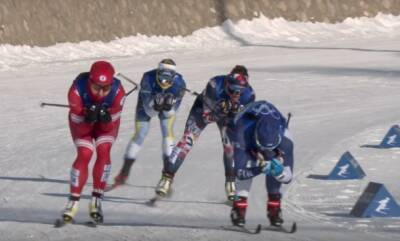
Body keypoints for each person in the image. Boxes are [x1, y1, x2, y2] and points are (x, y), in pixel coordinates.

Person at [156, 65, 255, 201]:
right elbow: (205, 116)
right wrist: (220, 110)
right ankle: (166, 178)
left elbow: (242, 123)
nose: (236, 95)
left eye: (240, 92)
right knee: (187, 142)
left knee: (230, 146)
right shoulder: (215, 85)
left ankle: (231, 184)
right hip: (204, 110)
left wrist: (234, 114)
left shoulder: (249, 95)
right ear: (227, 82)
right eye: (233, 90)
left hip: (227, 118)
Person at [61, 60, 125, 224]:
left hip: (106, 125)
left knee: (103, 150)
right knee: (85, 153)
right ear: (90, 82)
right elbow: (80, 130)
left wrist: (104, 119)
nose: (102, 93)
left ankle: (96, 200)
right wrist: (88, 120)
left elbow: (108, 128)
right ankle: (73, 201)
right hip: (82, 124)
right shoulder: (76, 90)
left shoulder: (118, 92)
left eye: (106, 88)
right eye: (97, 88)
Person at [109, 59, 186, 190]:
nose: (164, 83)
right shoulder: (148, 78)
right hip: (146, 105)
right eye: (161, 78)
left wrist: (167, 107)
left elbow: (170, 114)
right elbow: (149, 112)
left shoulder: (180, 84)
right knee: (140, 134)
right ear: (157, 73)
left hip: (162, 105)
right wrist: (155, 104)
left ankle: (166, 176)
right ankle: (124, 172)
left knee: (167, 133)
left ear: (173, 77)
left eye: (168, 80)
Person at [226, 100, 294, 227]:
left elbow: (288, 177)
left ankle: (274, 206)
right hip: (242, 132)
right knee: (249, 162)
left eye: (271, 148)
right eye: (262, 147)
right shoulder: (241, 134)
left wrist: (279, 173)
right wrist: (260, 169)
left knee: (275, 165)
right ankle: (239, 208)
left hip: (262, 132)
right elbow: (240, 173)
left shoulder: (286, 140)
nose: (266, 151)